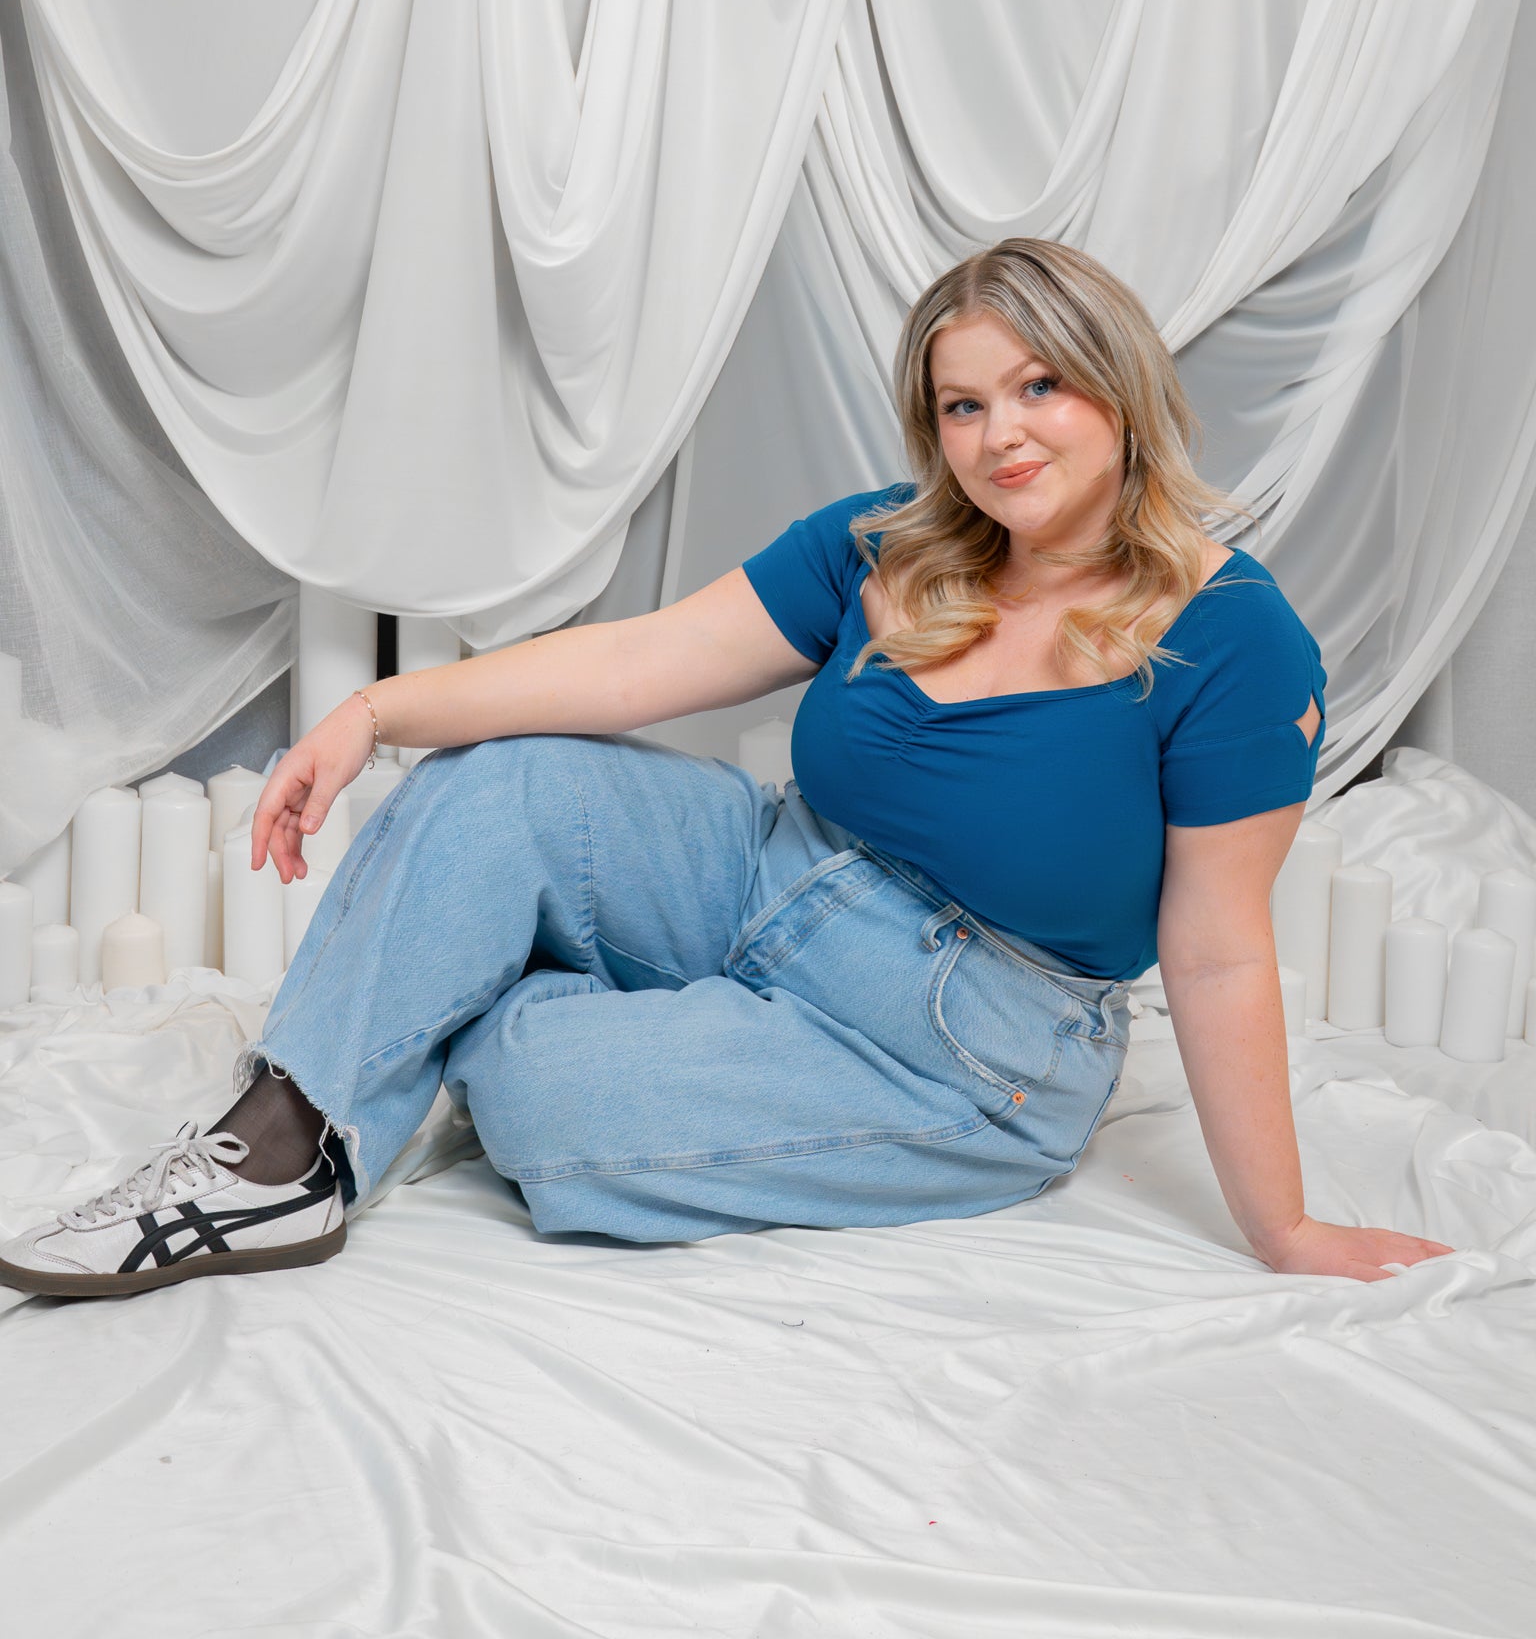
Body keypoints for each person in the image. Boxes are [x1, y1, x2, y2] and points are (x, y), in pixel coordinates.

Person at [0, 239, 1456, 1298]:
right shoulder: (891, 543)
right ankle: (282, 1160)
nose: (1002, 435)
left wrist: (1288, 1229)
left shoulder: (1235, 641)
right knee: (494, 783)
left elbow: (1214, 957)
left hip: (961, 1041)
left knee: (537, 1098)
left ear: (1121, 390)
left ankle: (491, 1008)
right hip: (775, 866)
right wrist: (374, 713)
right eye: (963, 406)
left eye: (1040, 388)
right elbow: (633, 666)